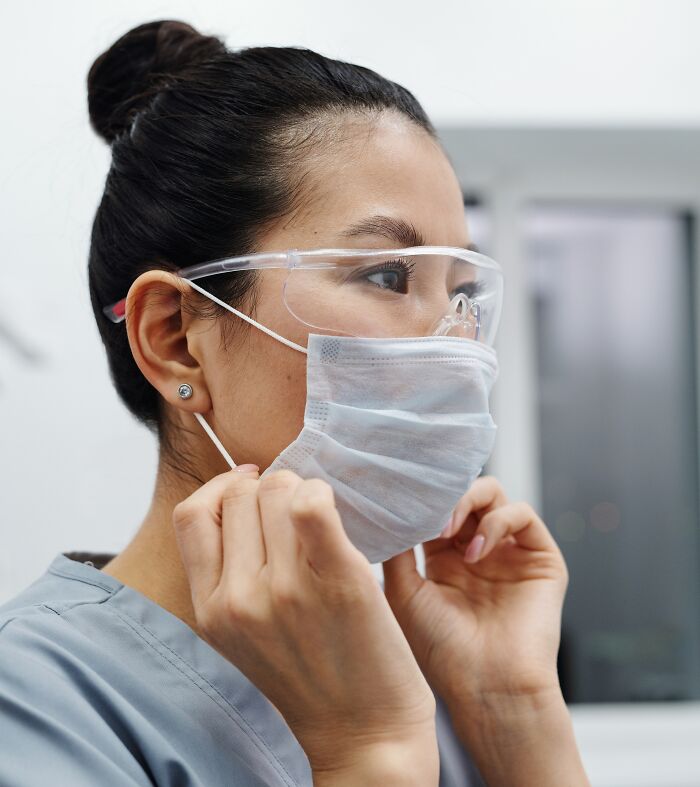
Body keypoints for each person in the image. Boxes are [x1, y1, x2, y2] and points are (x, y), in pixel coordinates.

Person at [0, 19, 589, 786]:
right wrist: (367, 751)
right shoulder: (35, 703)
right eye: (387, 276)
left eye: (464, 294)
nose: (455, 344)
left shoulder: (425, 681)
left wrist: (516, 712)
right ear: (176, 335)